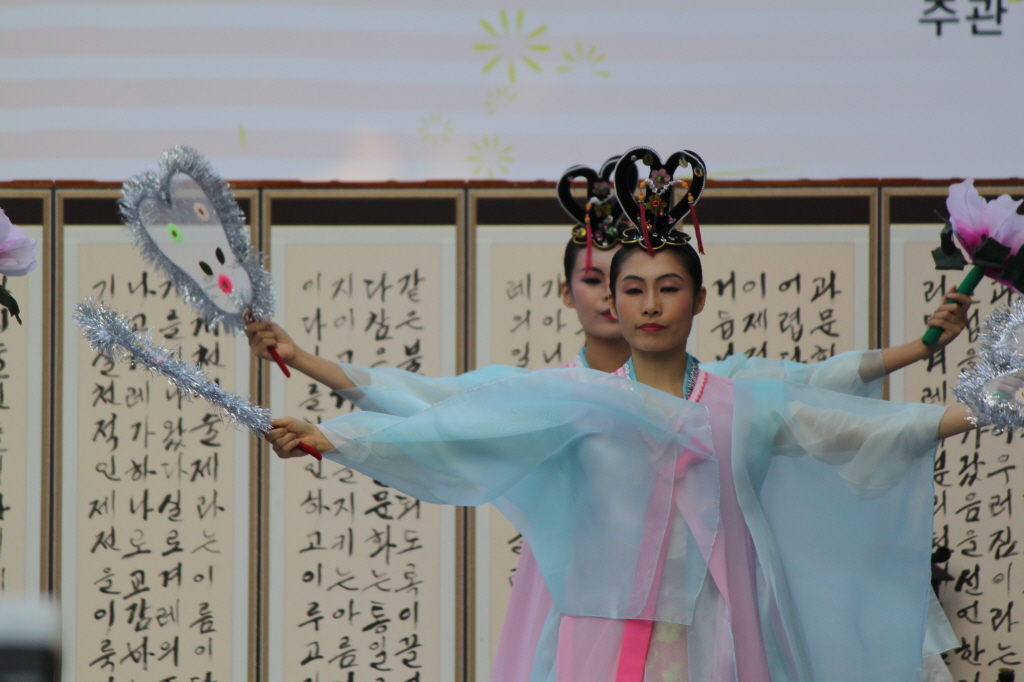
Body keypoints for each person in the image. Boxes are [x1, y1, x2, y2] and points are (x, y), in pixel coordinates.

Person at [265, 148, 982, 682]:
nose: (647, 304)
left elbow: (843, 421)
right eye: (629, 288)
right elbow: (448, 420)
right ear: (602, 295)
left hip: (719, 628)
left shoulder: (739, 399)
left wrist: (969, 403)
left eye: (667, 287)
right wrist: (335, 435)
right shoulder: (574, 400)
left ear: (698, 300)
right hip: (600, 626)